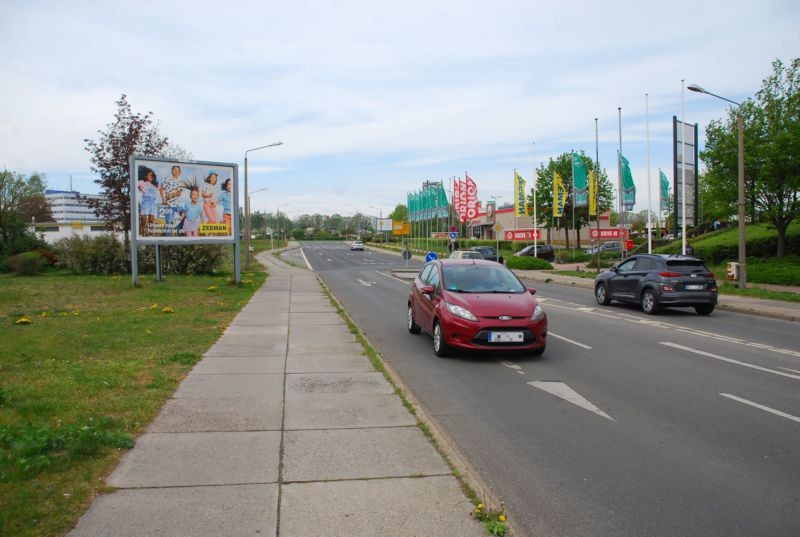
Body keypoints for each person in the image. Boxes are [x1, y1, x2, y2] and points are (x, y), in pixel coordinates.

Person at [160, 165, 184, 237]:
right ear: (172, 171)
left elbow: (179, 193)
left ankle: (178, 230)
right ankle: (168, 239)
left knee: (185, 215)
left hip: (178, 204)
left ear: (179, 172)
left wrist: (172, 194)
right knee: (168, 223)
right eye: (174, 169)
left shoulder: (181, 182)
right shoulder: (167, 179)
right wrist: (163, 199)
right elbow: (161, 189)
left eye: (177, 170)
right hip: (169, 204)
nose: (176, 171)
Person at [137, 166, 159, 236]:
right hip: (145, 202)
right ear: (145, 175)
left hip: (152, 203)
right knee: (143, 220)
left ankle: (150, 235)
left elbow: (162, 189)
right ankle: (140, 235)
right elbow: (134, 185)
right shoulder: (141, 182)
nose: (151, 176)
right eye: (150, 175)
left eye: (152, 175)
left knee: (151, 221)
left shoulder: (154, 185)